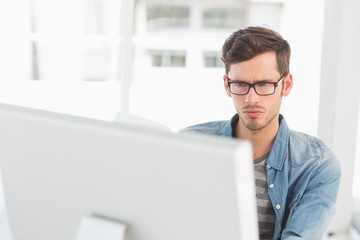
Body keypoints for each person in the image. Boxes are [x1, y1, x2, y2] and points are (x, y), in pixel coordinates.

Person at [180, 26, 341, 240]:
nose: (251, 99)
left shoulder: (317, 165)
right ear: (227, 86)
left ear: (287, 85)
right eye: (240, 84)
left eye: (264, 84)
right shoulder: (189, 144)